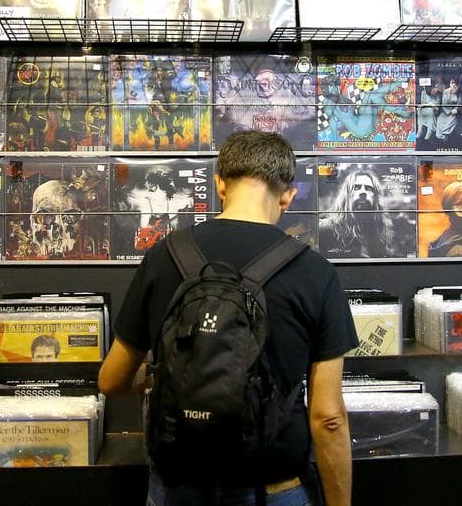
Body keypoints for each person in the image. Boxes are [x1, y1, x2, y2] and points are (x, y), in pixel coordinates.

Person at [100, 130, 356, 506]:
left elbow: (111, 380)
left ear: (220, 184)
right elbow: (328, 417)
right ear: (288, 195)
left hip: (178, 488)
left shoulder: (163, 257)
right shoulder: (315, 272)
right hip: (272, 490)